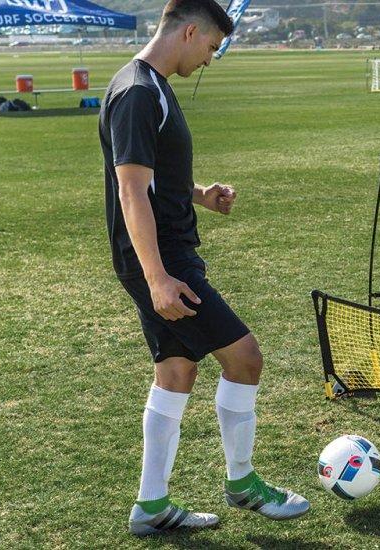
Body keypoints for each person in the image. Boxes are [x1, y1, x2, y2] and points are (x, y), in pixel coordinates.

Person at [98, 0, 309, 536]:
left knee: (176, 372)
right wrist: (157, 279)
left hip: (162, 256)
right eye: (213, 47)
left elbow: (149, 176)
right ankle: (242, 483)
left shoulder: (145, 84)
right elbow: (129, 189)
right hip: (162, 261)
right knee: (245, 358)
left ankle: (151, 506)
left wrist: (199, 194)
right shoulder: (139, 92)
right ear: (190, 31)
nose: (211, 60)